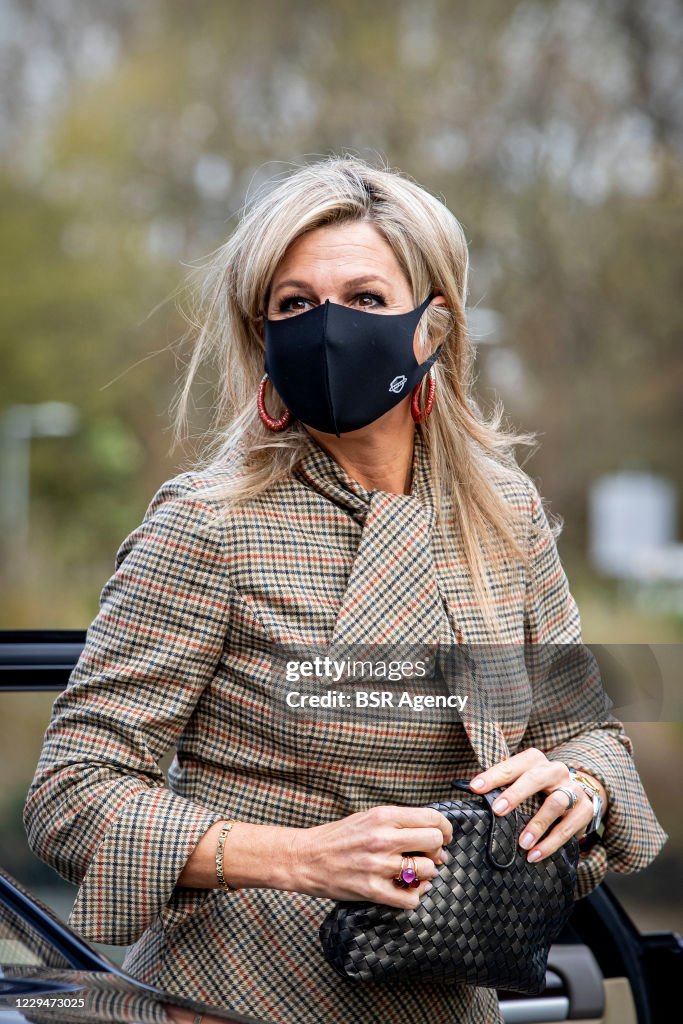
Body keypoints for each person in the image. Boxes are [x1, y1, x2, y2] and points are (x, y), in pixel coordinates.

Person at [23, 156, 667, 1024]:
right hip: (228, 1003)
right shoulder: (207, 523)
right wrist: (301, 857)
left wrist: (578, 789)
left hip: (445, 995)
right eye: (292, 304)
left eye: (363, 298)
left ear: (431, 328)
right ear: (262, 334)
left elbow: (588, 736)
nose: (325, 327)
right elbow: (72, 791)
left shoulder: (500, 515)